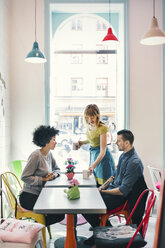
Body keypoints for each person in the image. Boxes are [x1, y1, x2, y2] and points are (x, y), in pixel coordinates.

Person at [83, 129, 147, 245]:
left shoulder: (134, 162)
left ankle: (103, 231)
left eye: (118, 141)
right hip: (112, 191)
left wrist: (103, 192)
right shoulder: (124, 156)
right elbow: (114, 176)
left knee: (87, 207)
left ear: (127, 143)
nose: (116, 143)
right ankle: (103, 230)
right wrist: (102, 187)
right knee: (87, 201)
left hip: (120, 197)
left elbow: (122, 191)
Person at [19, 125, 65, 226]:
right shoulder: (36, 155)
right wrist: (44, 179)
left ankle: (37, 225)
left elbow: (57, 169)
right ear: (46, 141)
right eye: (53, 139)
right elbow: (25, 177)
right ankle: (35, 228)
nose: (56, 142)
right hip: (29, 197)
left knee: (61, 210)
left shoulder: (49, 154)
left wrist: (54, 174)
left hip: (41, 194)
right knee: (59, 214)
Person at [78, 104, 115, 187]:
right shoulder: (90, 126)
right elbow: (92, 139)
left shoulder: (102, 128)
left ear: (97, 115)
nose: (90, 120)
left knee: (103, 185)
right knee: (95, 183)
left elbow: (103, 151)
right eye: (88, 117)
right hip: (94, 156)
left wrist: (92, 166)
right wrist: (82, 142)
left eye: (92, 117)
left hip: (102, 158)